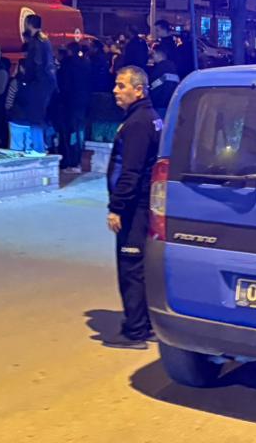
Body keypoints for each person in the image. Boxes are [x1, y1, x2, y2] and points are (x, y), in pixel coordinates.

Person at [105, 65, 162, 349]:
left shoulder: (138, 123)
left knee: (131, 268)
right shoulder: (148, 117)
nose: (115, 90)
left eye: (121, 85)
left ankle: (135, 331)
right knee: (139, 267)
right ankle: (146, 323)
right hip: (142, 204)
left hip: (135, 207)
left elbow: (131, 171)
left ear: (138, 90)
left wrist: (117, 207)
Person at [7, 51, 56, 154]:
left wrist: (9, 112)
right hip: (36, 121)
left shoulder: (16, 82)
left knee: (16, 149)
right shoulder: (42, 84)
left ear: (21, 68)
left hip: (17, 119)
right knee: (33, 151)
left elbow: (9, 102)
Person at [57, 42, 92, 170]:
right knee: (79, 131)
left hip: (69, 102)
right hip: (82, 101)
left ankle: (70, 159)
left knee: (69, 131)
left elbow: (64, 84)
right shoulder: (86, 63)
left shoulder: (67, 65)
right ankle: (78, 159)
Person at [147, 40, 182, 112]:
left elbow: (154, 86)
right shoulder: (173, 68)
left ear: (157, 54)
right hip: (171, 104)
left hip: (160, 104)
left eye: (153, 54)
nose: (153, 57)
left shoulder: (160, 69)